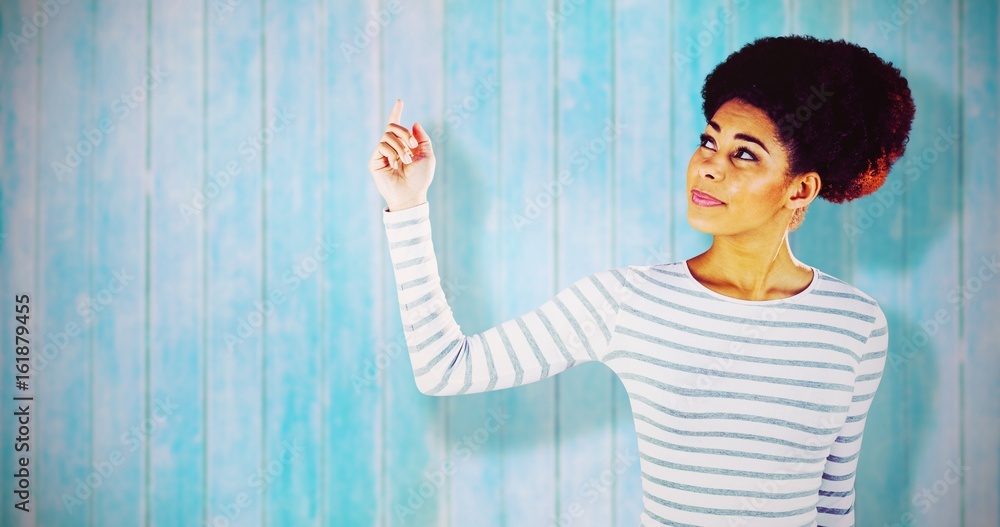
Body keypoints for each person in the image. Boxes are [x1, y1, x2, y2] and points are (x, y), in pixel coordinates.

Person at [367, 34, 915, 527]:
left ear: (800, 190)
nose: (708, 166)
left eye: (744, 154)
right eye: (709, 141)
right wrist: (407, 206)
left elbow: (834, 504)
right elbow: (445, 369)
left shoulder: (856, 325)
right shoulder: (628, 301)